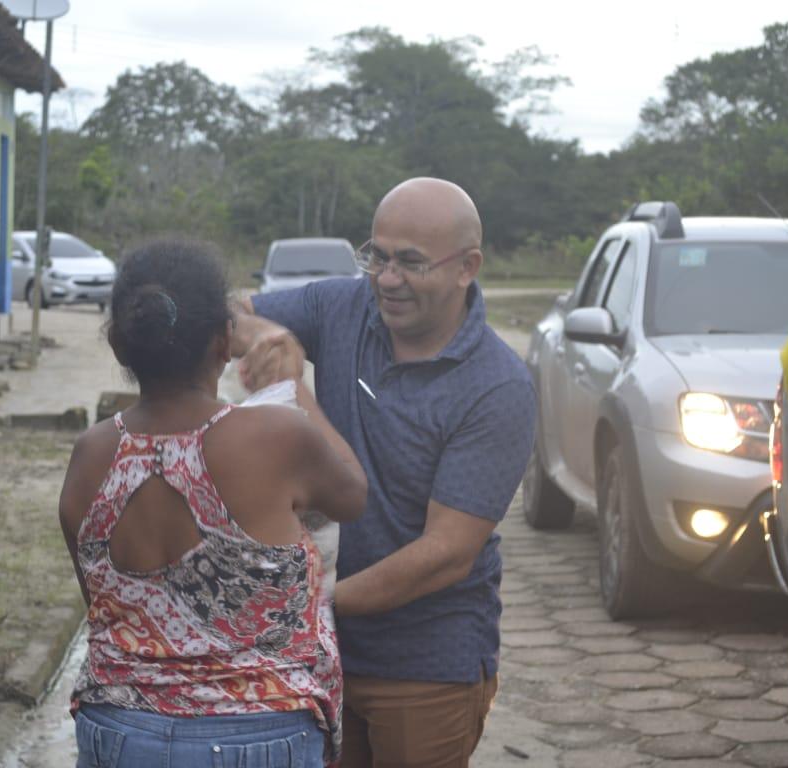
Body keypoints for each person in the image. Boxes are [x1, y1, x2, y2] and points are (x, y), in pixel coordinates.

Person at [232, 178, 537, 767]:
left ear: (466, 267)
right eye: (377, 256)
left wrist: (310, 605)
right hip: (321, 657)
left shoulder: (496, 387)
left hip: (426, 667)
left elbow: (447, 552)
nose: (387, 279)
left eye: (411, 263)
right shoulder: (344, 306)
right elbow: (224, 314)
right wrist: (268, 334)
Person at [57, 238, 368, 767]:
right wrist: (292, 384)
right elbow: (352, 495)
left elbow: (103, 602)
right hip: (261, 730)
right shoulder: (275, 435)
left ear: (117, 345)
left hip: (120, 730)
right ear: (224, 343)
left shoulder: (90, 456)